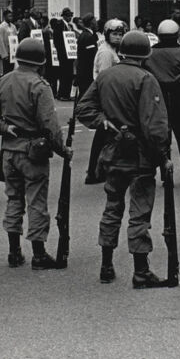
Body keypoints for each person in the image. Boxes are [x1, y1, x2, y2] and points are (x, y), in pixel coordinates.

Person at [75, 31, 171, 288]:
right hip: (139, 155)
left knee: (112, 208)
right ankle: (141, 271)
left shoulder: (106, 76)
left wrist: (103, 123)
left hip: (112, 152)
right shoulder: (145, 79)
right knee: (139, 213)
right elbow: (155, 126)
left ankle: (107, 265)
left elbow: (83, 108)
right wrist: (163, 156)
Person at [0, 37, 69, 269]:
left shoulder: (4, 81)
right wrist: (63, 150)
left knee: (13, 199)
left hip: (9, 151)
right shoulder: (40, 86)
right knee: (36, 202)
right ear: (40, 62)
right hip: (33, 152)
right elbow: (50, 125)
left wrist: (3, 127)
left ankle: (14, 251)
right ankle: (38, 254)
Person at [144, 20, 180, 186]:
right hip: (179, 99)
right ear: (177, 35)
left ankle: (166, 176)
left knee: (163, 139)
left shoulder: (150, 54)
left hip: (158, 100)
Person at [85, 19, 126, 185]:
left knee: (106, 135)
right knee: (104, 134)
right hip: (107, 98)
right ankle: (94, 171)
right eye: (114, 34)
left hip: (111, 97)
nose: (117, 37)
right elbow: (105, 79)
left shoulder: (113, 50)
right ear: (107, 34)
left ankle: (99, 170)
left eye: (120, 34)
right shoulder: (106, 53)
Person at [53, 8, 77, 100]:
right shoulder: (60, 25)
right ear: (64, 16)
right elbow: (57, 40)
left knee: (68, 74)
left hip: (69, 54)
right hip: (63, 54)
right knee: (64, 74)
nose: (70, 17)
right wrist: (62, 51)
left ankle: (65, 93)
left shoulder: (69, 26)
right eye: (68, 15)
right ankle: (63, 94)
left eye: (70, 15)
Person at [75, 15, 98, 96]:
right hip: (87, 74)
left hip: (83, 73)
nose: (97, 24)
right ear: (91, 23)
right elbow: (91, 56)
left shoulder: (85, 35)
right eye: (95, 22)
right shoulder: (88, 37)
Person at [0, 9, 18, 75]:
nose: (11, 18)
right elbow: (0, 41)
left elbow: (16, 38)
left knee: (12, 69)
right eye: (9, 16)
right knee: (6, 70)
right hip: (6, 51)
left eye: (11, 16)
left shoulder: (13, 26)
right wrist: (4, 54)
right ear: (5, 17)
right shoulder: (1, 27)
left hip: (13, 51)